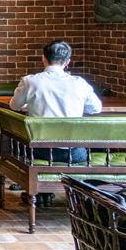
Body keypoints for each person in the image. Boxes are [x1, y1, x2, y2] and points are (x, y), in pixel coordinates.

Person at [8, 40, 102, 206]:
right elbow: (96, 108)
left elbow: (15, 106)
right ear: (68, 62)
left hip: (42, 151)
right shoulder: (79, 83)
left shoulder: (30, 81)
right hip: (75, 153)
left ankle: (41, 192)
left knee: (27, 143)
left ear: (43, 58)